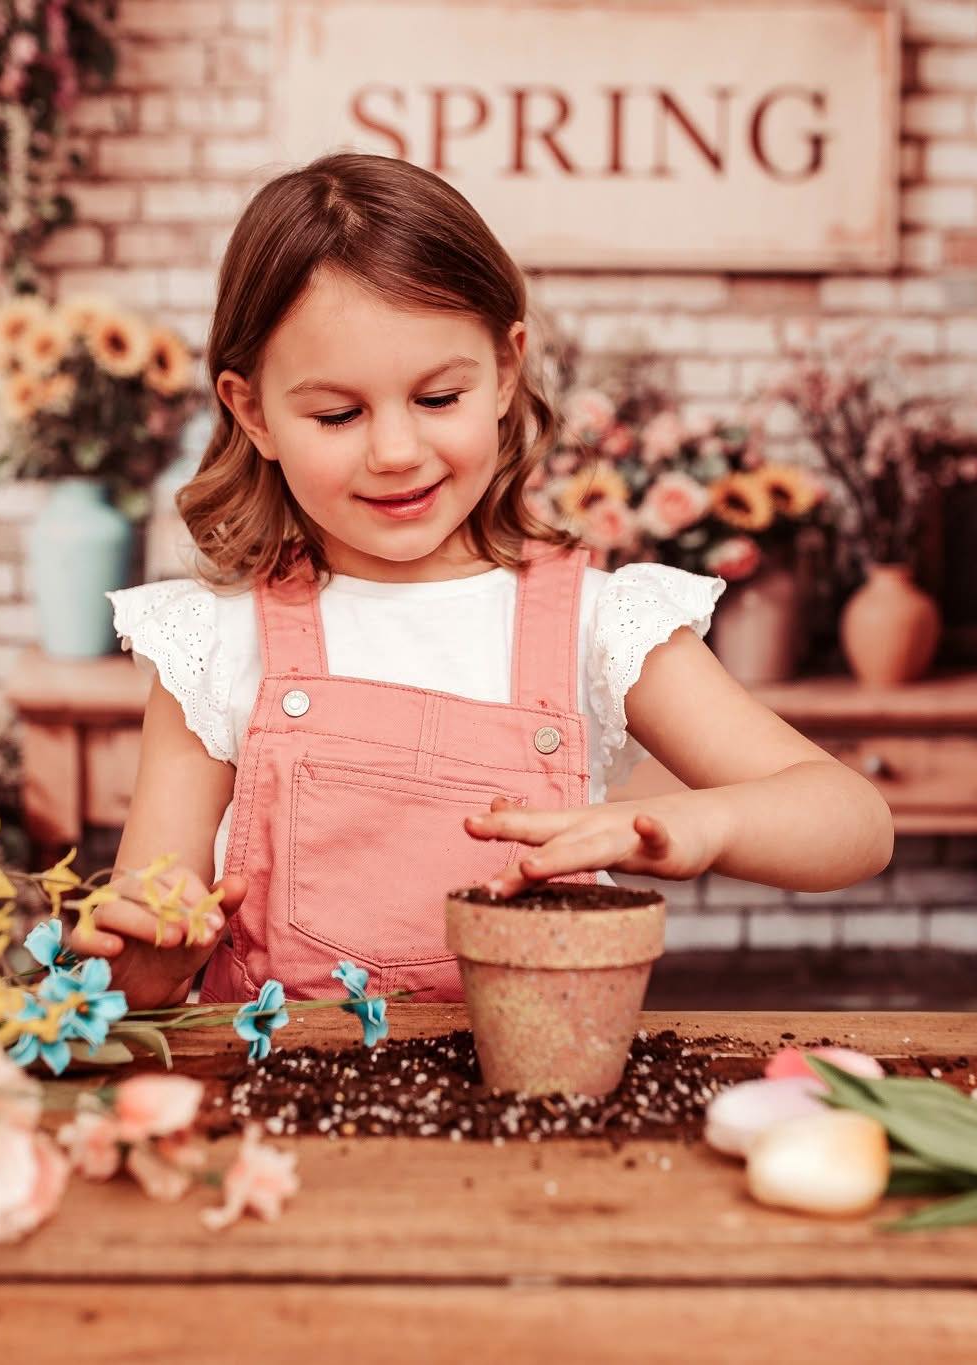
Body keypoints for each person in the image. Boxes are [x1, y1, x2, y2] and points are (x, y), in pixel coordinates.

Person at [81, 153, 892, 1009]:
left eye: (438, 399)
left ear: (505, 372)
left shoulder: (598, 623)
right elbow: (146, 943)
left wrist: (699, 824)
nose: (395, 451)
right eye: (338, 414)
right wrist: (147, 964)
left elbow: (854, 823)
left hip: (540, 1117)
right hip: (286, 1128)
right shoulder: (215, 644)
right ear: (254, 412)